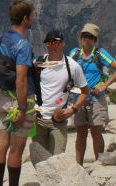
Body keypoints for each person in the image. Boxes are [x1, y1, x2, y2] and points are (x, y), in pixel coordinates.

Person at [0, 0, 40, 186]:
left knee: (2, 142)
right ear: (25, 18)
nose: (34, 18)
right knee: (17, 148)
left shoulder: (2, 38)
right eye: (32, 15)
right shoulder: (23, 45)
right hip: (20, 99)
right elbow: (21, 79)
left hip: (2, 97)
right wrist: (21, 108)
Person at [69, 23, 116, 165]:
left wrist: (104, 85)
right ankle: (78, 166)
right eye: (84, 36)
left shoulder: (100, 53)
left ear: (95, 40)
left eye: (90, 37)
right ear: (81, 38)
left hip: (96, 98)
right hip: (78, 98)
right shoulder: (74, 54)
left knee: (96, 133)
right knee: (80, 134)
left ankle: (100, 165)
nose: (87, 39)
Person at [33, 31, 89, 159]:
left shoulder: (73, 67)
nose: (53, 46)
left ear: (63, 44)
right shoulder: (38, 63)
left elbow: (85, 91)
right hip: (37, 119)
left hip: (58, 119)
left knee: (57, 159)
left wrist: (73, 110)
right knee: (40, 159)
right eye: (49, 43)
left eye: (56, 42)